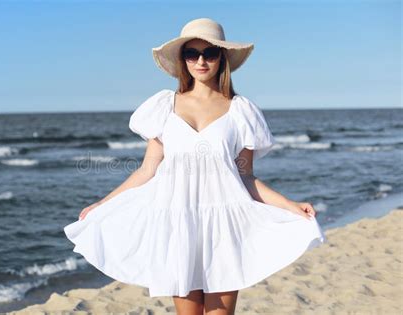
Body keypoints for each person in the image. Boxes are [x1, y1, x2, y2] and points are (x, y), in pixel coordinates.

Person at [64, 17, 327, 315]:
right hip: (179, 224)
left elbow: (245, 177)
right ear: (183, 60)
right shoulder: (165, 106)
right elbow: (147, 170)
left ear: (222, 58)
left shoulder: (241, 111)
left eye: (210, 53)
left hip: (224, 226)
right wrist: (103, 202)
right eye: (192, 53)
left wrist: (290, 205)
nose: (201, 61)